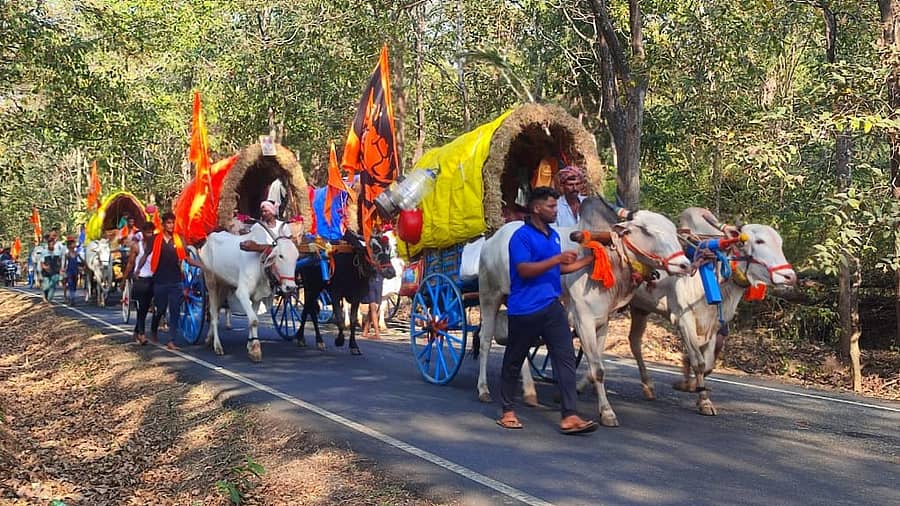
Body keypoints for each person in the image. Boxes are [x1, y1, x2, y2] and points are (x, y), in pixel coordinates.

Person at [496, 186, 598, 434]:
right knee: (514, 360)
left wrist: (587, 261)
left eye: (555, 205)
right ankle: (507, 411)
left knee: (565, 358)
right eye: (551, 206)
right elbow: (524, 270)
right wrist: (556, 259)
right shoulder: (521, 237)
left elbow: (556, 269)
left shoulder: (552, 236)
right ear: (536, 208)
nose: (555, 211)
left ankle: (570, 415)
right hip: (524, 309)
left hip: (552, 306)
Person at [148, 212, 188, 350]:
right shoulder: (155, 239)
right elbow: (146, 255)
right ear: (163, 224)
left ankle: (171, 340)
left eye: (173, 223)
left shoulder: (179, 239)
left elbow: (186, 258)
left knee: (175, 310)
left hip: (176, 280)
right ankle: (153, 330)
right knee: (160, 309)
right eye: (168, 223)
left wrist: (202, 265)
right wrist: (138, 270)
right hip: (160, 280)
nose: (171, 225)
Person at [124, 221, 157, 345]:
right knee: (141, 308)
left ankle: (137, 331)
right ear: (143, 233)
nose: (150, 235)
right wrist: (124, 279)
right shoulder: (136, 246)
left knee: (148, 307)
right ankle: (142, 335)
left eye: (151, 232)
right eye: (147, 232)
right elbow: (130, 263)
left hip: (152, 279)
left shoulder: (156, 246)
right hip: (140, 279)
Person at [41, 233, 64, 302]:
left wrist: (61, 269)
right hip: (46, 272)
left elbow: (60, 261)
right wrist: (45, 267)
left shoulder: (57, 252)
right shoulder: (44, 252)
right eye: (50, 244)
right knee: (46, 286)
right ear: (48, 244)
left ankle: (49, 299)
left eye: (52, 244)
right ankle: (45, 294)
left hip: (55, 271)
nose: (51, 245)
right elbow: (42, 262)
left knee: (53, 285)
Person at [62, 237, 81, 304]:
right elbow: (65, 263)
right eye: (73, 244)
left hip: (75, 271)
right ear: (69, 246)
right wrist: (63, 269)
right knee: (70, 284)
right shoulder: (67, 254)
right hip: (69, 271)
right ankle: (71, 298)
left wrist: (83, 265)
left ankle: (72, 297)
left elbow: (81, 261)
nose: (74, 245)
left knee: (75, 284)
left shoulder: (76, 253)